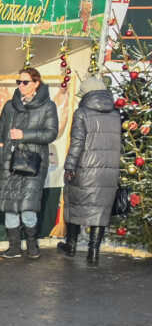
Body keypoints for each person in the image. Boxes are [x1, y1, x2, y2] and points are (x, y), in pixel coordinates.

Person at [0, 66, 59, 260]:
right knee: (10, 205)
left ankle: (32, 244)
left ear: (36, 83)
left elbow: (51, 133)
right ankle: (14, 246)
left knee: (28, 206)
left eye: (25, 82)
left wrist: (25, 135)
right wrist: (0, 144)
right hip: (9, 161)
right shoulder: (9, 105)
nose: (21, 85)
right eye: (19, 82)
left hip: (33, 162)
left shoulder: (48, 106)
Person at [59, 82, 122, 265]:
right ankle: (93, 253)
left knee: (74, 204)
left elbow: (77, 143)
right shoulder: (115, 114)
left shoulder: (82, 113)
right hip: (109, 170)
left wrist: (69, 167)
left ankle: (71, 246)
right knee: (100, 211)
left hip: (85, 168)